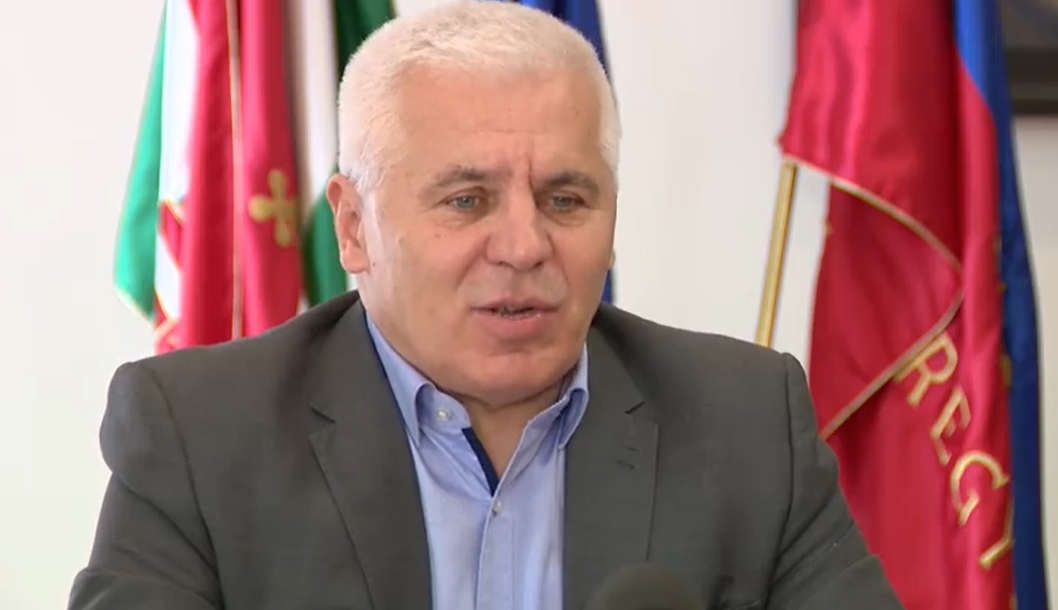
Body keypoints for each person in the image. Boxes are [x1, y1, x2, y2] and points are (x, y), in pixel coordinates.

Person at [69, 2, 904, 609]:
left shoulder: (746, 422)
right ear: (353, 228)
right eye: (467, 200)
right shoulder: (201, 434)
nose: (525, 245)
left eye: (566, 199)